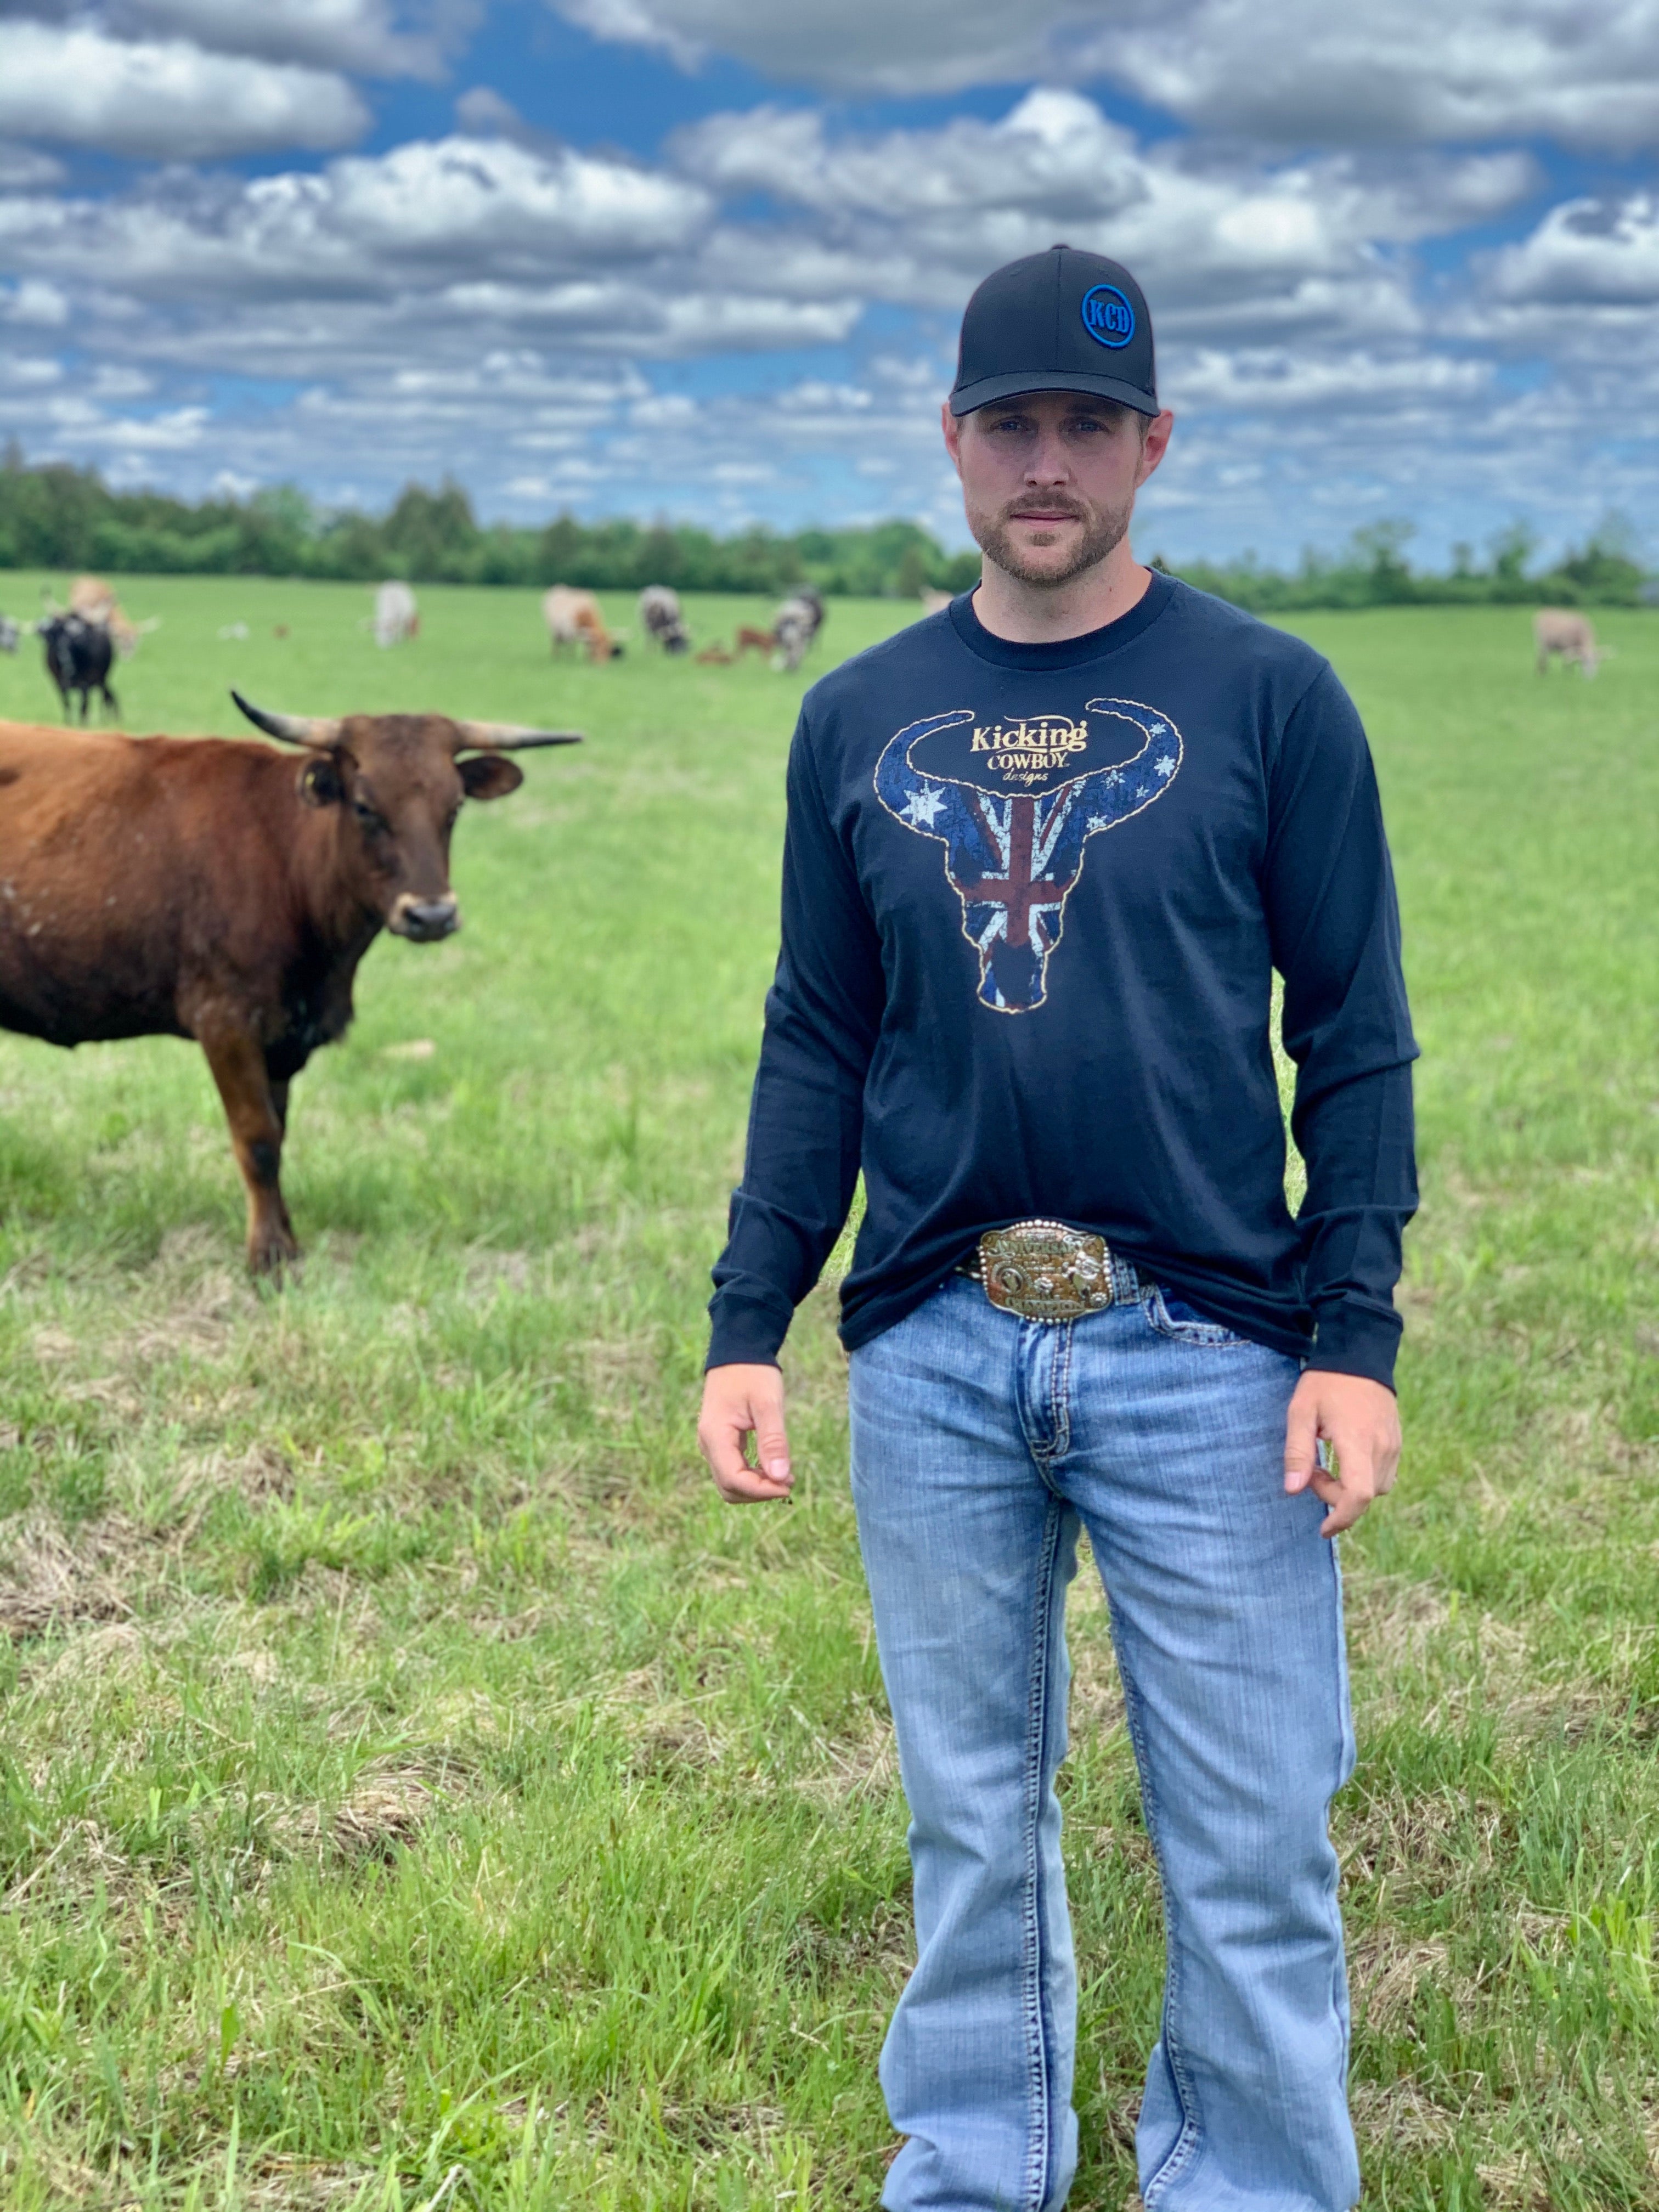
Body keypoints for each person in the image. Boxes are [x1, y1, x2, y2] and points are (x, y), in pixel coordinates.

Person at [697, 244, 1417, 2212]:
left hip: (1209, 1344)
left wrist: (1354, 1338)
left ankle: (1253, 2180)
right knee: (971, 1816)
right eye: (1009, 421)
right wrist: (750, 1318)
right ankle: (974, 2162)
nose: (1046, 460)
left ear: (1152, 443)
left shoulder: (1273, 698)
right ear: (952, 443)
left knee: (1252, 1830)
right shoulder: (859, 720)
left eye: (1086, 425)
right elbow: (817, 1032)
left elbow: (1354, 1033)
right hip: (932, 1343)